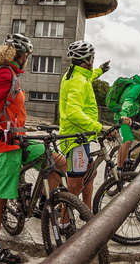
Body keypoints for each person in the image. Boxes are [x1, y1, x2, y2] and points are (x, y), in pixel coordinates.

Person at [0, 34, 67, 264]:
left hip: (19, 138)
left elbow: (11, 108)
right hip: (4, 145)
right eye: (27, 55)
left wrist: (24, 127)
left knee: (57, 162)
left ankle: (42, 205)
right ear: (20, 55)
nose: (28, 59)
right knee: (0, 200)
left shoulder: (12, 75)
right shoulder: (5, 74)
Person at [58, 40, 110, 208]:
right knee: (75, 186)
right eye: (93, 57)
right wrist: (100, 127)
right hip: (74, 140)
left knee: (90, 174)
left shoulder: (76, 74)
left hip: (81, 137)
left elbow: (89, 77)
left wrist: (100, 71)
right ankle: (64, 223)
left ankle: (87, 214)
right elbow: (73, 113)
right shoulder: (78, 81)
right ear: (88, 60)